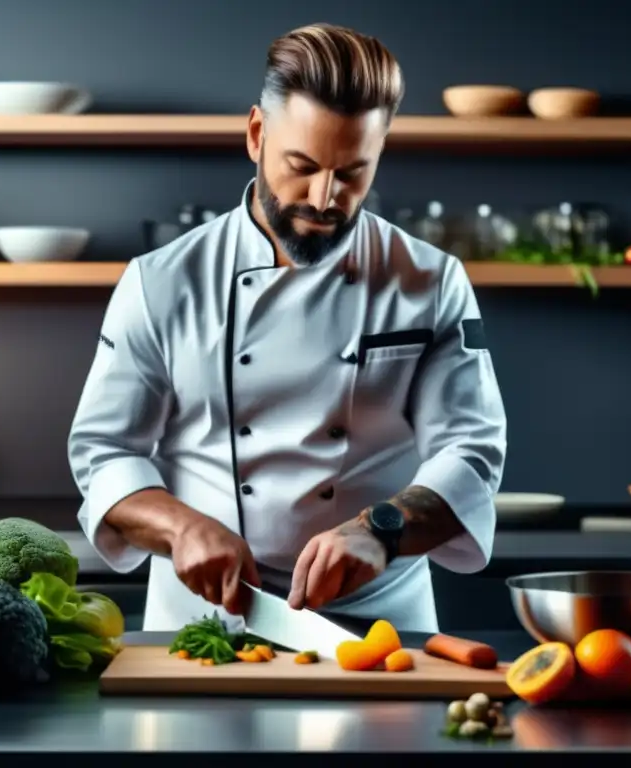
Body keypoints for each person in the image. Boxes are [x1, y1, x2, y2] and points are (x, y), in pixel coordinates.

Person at [68, 22, 507, 633]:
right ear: (256, 135)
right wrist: (182, 526)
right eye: (301, 166)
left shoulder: (430, 281)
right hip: (205, 617)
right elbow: (104, 451)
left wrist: (381, 530)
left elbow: (471, 451)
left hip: (379, 620)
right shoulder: (162, 281)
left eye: (353, 173)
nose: (325, 198)